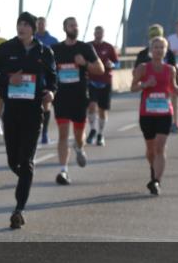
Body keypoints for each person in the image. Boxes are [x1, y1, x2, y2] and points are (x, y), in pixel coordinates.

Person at [0, 12, 57, 229]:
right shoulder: (6, 49)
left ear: (33, 29)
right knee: (13, 161)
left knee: (26, 162)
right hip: (12, 111)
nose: (22, 27)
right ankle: (27, 179)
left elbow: (53, 80)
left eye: (26, 24)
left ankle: (19, 209)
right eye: (19, 24)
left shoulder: (44, 52)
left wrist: (51, 93)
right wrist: (9, 79)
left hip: (33, 112)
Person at [50, 17, 104, 185]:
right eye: (71, 25)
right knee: (63, 135)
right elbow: (46, 70)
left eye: (76, 25)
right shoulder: (55, 49)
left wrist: (85, 63)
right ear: (65, 28)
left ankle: (79, 148)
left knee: (79, 136)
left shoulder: (85, 48)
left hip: (80, 97)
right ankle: (63, 171)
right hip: (61, 98)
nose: (75, 27)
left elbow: (100, 69)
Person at [131, 36, 178, 196]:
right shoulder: (143, 68)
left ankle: (156, 181)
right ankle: (153, 169)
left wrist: (174, 87)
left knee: (160, 147)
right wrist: (145, 85)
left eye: (162, 47)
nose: (158, 50)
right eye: (156, 47)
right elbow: (133, 87)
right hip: (147, 114)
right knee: (150, 150)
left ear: (166, 51)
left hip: (164, 113)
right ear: (150, 50)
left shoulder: (171, 69)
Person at [87, 25, 119, 146]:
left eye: (100, 32)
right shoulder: (89, 46)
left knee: (102, 109)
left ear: (103, 34)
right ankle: (92, 129)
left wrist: (112, 65)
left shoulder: (109, 47)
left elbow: (117, 63)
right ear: (94, 33)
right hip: (91, 81)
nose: (98, 34)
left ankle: (100, 134)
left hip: (105, 81)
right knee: (91, 105)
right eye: (97, 32)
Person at [35, 17, 59, 145]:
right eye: (38, 24)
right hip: (33, 78)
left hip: (47, 78)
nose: (40, 26)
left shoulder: (53, 41)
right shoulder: (30, 40)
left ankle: (44, 133)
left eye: (42, 24)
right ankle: (34, 132)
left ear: (46, 25)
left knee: (46, 105)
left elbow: (59, 58)